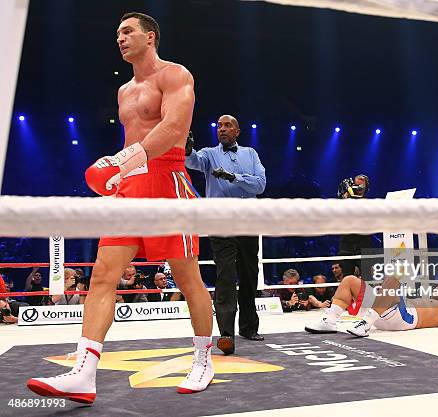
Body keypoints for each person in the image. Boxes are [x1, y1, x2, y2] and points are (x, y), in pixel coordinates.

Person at [27, 12, 214, 403]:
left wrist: (121, 162)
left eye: (127, 31)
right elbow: (136, 138)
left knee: (186, 277)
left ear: (151, 37)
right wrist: (117, 171)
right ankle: (84, 372)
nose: (120, 38)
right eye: (117, 34)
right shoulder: (125, 91)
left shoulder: (175, 75)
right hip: (130, 184)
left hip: (167, 180)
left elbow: (174, 130)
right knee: (101, 277)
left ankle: (203, 358)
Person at [185, 115, 266, 355]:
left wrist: (234, 177)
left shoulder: (250, 154)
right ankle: (226, 334)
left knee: (250, 276)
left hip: (248, 222)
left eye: (227, 125)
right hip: (220, 222)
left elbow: (260, 185)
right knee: (225, 277)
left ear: (238, 131)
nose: (222, 129)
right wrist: (187, 149)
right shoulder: (209, 154)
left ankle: (249, 327)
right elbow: (193, 161)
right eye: (219, 126)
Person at [305, 275, 438, 337]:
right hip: (383, 315)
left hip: (405, 319)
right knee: (349, 280)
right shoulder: (423, 298)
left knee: (393, 280)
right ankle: (330, 320)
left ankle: (365, 324)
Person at [337, 175, 372, 277]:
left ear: (366, 187)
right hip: (346, 244)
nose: (358, 187)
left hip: (364, 244)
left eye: (361, 184)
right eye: (356, 184)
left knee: (367, 276)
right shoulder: (344, 201)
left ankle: (367, 293)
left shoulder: (369, 204)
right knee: (347, 276)